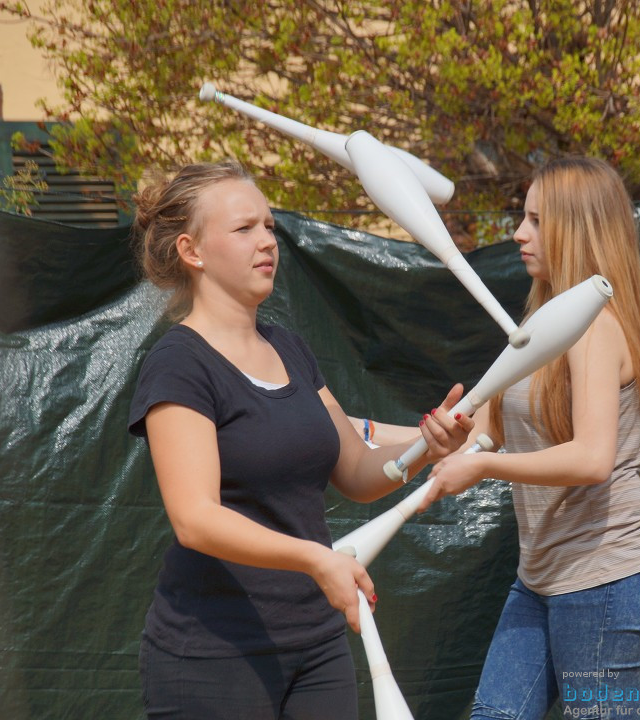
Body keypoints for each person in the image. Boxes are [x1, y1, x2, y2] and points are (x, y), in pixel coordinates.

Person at [127, 159, 473, 719]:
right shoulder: (179, 365)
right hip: (215, 654)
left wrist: (424, 449)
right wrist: (316, 559)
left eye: (268, 225)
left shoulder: (289, 347)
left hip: (317, 644)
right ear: (192, 251)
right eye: (244, 229)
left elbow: (357, 470)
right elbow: (195, 518)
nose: (267, 241)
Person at [421, 156, 640, 719]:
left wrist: (484, 468)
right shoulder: (539, 326)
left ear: (575, 229)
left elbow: (591, 459)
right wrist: (398, 437)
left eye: (535, 219)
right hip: (539, 575)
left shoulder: (596, 329)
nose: (518, 232)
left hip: (605, 577)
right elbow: (476, 437)